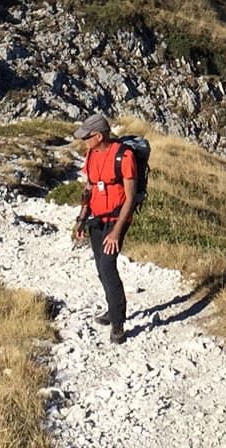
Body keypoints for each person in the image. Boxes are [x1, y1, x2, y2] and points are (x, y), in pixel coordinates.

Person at [70, 113, 140, 343]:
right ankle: (112, 309)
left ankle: (118, 323)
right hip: (96, 218)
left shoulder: (124, 157)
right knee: (101, 268)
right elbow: (89, 188)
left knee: (108, 268)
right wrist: (81, 219)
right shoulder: (91, 153)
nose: (84, 141)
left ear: (99, 136)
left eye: (87, 137)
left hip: (117, 220)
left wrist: (116, 232)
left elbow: (130, 198)